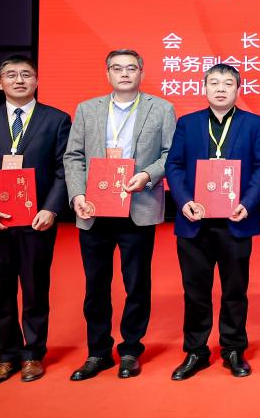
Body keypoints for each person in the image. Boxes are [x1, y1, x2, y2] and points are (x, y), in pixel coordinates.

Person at [0, 55, 71, 384]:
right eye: (11, 75)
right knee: (0, 290)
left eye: (26, 74)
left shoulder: (56, 119)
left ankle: (33, 354)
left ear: (36, 81)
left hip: (37, 220)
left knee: (35, 290)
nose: (19, 80)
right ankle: (6, 356)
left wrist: (51, 209)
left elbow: (64, 169)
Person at [63, 49, 176, 380]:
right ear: (107, 74)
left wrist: (148, 175)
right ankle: (98, 352)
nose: (124, 73)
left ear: (142, 73)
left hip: (137, 205)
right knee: (96, 285)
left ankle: (130, 350)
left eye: (131, 68)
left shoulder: (161, 108)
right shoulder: (87, 109)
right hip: (94, 208)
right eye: (117, 68)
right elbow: (73, 156)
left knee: (136, 283)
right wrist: (77, 194)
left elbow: (171, 154)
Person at [165, 63, 260, 380]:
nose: (221, 89)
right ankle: (196, 351)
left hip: (236, 219)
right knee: (195, 290)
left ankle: (233, 349)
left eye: (228, 83)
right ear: (205, 88)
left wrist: (247, 204)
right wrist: (184, 201)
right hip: (194, 220)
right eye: (214, 83)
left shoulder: (254, 123)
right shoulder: (187, 123)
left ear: (238, 89)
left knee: (235, 289)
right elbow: (174, 165)